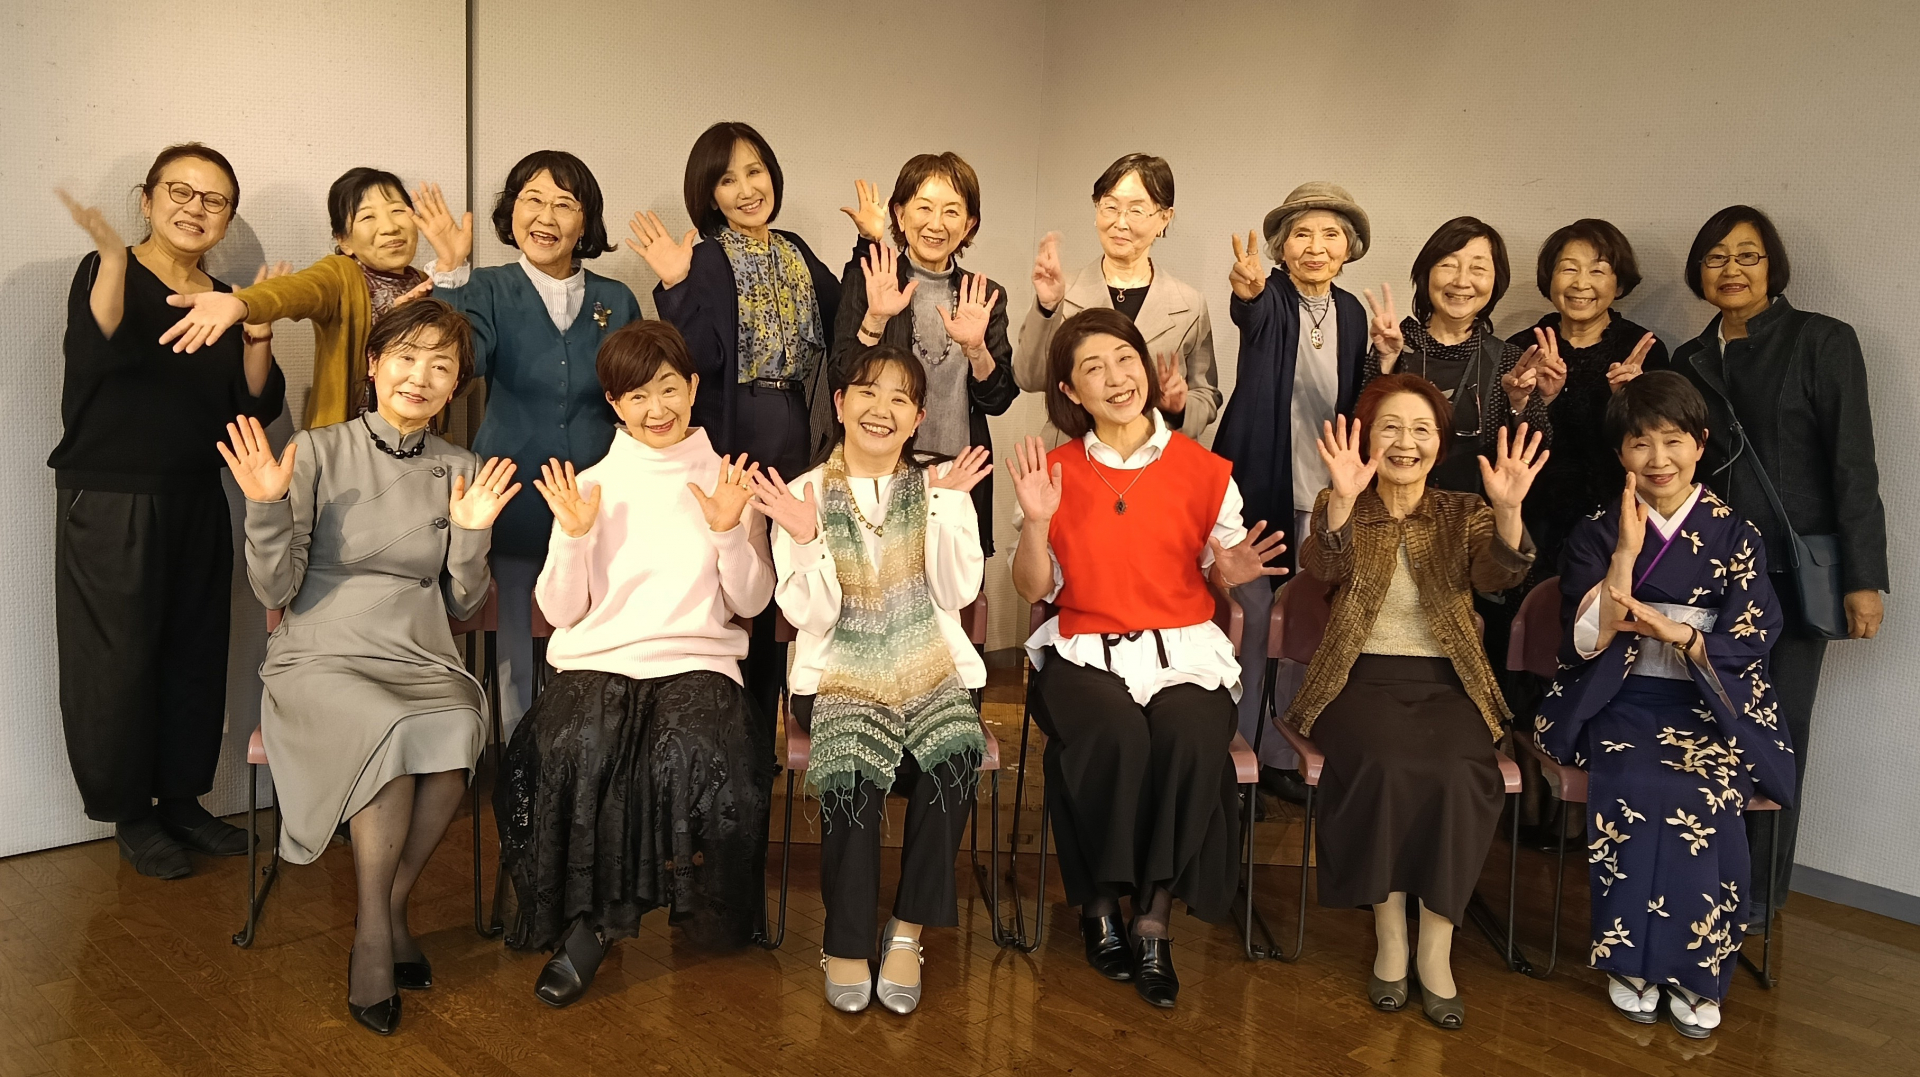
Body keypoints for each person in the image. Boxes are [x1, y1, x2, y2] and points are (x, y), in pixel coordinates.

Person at [225, 299, 520, 1036]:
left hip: (418, 649)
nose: (420, 377)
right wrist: (265, 507)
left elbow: (464, 600)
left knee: (457, 725)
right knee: (389, 727)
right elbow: (274, 588)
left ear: (456, 385)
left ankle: (383, 911)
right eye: (406, 357)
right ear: (373, 364)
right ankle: (374, 941)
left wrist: (472, 535)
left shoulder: (463, 468)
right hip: (320, 651)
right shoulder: (317, 450)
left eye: (441, 365)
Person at [1010, 309, 1288, 1010]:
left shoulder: (1203, 469)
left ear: (1145, 365)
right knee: (1112, 736)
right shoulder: (1054, 472)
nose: (1115, 378)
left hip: (1184, 652)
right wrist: (1037, 523)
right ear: (1070, 391)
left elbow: (1222, 569)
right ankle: (1101, 901)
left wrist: (1229, 575)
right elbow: (1033, 589)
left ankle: (1154, 916)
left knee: (1191, 739)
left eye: (1124, 359)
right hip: (1085, 651)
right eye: (1093, 368)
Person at [494, 320, 774, 1008]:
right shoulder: (589, 486)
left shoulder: (731, 482)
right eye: (637, 395)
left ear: (694, 388)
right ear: (615, 403)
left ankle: (601, 926)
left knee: (690, 753)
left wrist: (727, 532)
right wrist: (574, 537)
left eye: (669, 389)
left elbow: (752, 600)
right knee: (575, 747)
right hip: (598, 661)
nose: (656, 409)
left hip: (698, 661)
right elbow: (560, 610)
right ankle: (597, 921)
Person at [1535, 371, 1796, 1039]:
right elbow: (1584, 641)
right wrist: (1625, 553)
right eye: (1640, 443)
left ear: (1700, 444)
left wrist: (1681, 635)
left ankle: (1697, 969)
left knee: (1706, 790)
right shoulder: (1598, 532)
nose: (1658, 459)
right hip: (1619, 697)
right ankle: (1630, 962)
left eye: (1673, 440)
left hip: (1708, 702)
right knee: (1637, 782)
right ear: (1620, 452)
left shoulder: (1737, 534)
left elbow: (1754, 634)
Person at [50, 144, 287, 879]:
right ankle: (131, 813)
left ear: (227, 218)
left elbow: (253, 405)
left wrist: (256, 329)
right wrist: (112, 263)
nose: (195, 208)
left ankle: (183, 801)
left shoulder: (223, 297)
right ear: (147, 199)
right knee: (115, 661)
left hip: (196, 495)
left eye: (214, 200)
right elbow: (96, 350)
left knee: (195, 650)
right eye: (179, 192)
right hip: (111, 496)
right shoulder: (106, 272)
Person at [1284, 373, 1542, 1030]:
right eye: (1391, 428)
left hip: (1449, 682)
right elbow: (1322, 568)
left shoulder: (1465, 510)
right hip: (1356, 679)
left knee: (1461, 773)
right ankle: (1390, 934)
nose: (1406, 442)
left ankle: (1436, 945)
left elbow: (1496, 576)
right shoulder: (1342, 499)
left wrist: (1508, 512)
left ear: (1440, 442)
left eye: (1421, 429)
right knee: (1387, 766)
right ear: (1367, 438)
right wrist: (1342, 503)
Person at [751, 344, 992, 1016]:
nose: (881, 409)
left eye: (899, 399)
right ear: (840, 403)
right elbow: (814, 616)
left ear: (917, 418)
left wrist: (947, 507)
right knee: (854, 761)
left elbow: (958, 592)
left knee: (954, 755)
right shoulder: (802, 492)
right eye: (867, 392)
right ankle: (847, 941)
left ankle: (908, 930)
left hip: (931, 669)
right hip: (837, 674)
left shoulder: (940, 487)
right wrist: (806, 538)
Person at [1668, 205, 1888, 916]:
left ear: (1773, 266)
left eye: (1748, 255)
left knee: (1778, 731)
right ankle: (1699, 873)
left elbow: (1853, 465)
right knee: (1703, 722)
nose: (1731, 269)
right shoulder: (1688, 358)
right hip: (1706, 580)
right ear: (1699, 271)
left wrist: (1863, 578)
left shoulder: (1822, 340)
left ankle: (1757, 898)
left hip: (1792, 580)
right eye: (1716, 257)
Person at [412, 152, 643, 737]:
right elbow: (461, 365)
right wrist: (450, 275)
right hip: (511, 496)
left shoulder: (617, 299)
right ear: (511, 212)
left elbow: (639, 396)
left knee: (593, 643)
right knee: (514, 647)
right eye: (532, 200)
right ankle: (520, 765)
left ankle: (587, 757)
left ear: (585, 222)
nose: (546, 216)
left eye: (565, 204)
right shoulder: (485, 287)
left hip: (596, 504)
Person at [628, 121, 841, 730]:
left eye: (755, 172)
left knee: (791, 574)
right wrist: (677, 284)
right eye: (727, 180)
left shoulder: (796, 250)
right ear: (709, 193)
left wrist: (870, 244)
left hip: (798, 428)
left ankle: (774, 722)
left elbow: (846, 316)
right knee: (733, 579)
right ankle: (730, 729)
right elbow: (699, 360)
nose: (747, 189)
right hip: (734, 432)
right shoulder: (705, 257)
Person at [1212, 181, 1375, 804]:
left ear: (1348, 248)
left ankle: (1282, 755)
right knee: (1253, 620)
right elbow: (1251, 316)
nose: (1316, 246)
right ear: (1281, 247)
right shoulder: (1271, 295)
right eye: (1302, 234)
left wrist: (1386, 360)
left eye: (1331, 234)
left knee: (1306, 624)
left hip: (1326, 492)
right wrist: (1248, 293)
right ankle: (1234, 754)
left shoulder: (1352, 312)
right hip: (1259, 484)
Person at [159, 167, 447, 428]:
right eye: (368, 216)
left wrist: (451, 268)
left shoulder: (431, 283)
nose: (390, 227)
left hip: (422, 445)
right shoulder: (341, 275)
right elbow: (295, 290)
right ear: (343, 240)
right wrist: (243, 303)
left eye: (397, 211)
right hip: (351, 449)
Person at [835, 152, 1018, 556]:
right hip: (882, 468)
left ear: (968, 225)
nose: (936, 224)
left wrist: (976, 348)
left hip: (960, 471)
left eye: (952, 211)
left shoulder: (985, 295)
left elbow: (999, 399)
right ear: (900, 215)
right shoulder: (872, 278)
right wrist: (877, 318)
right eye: (924, 208)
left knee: (956, 583)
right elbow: (842, 376)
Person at [1013, 153, 1218, 444]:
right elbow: (1029, 378)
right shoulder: (1063, 291)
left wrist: (1181, 407)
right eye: (1110, 207)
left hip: (1149, 455)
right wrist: (1047, 307)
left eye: (1136, 211)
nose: (1120, 223)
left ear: (1164, 218)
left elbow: (1207, 395)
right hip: (1072, 453)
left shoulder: (1189, 305)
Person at [1508, 219, 1669, 572]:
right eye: (1569, 269)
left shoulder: (1642, 350)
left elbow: (1664, 450)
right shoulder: (1523, 348)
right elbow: (1501, 447)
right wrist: (1531, 404)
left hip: (1618, 525)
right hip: (1534, 522)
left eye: (1597, 271)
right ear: (1550, 278)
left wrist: (1631, 402)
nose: (1581, 283)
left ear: (1619, 283)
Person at [1364, 216, 1556, 494]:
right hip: (1393, 507)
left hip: (1475, 513)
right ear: (1427, 273)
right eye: (1448, 265)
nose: (1462, 281)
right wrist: (1385, 363)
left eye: (1478, 268)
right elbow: (1358, 433)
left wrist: (1519, 403)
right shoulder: (1395, 345)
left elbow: (1537, 452)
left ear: (1496, 281)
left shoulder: (1508, 360)